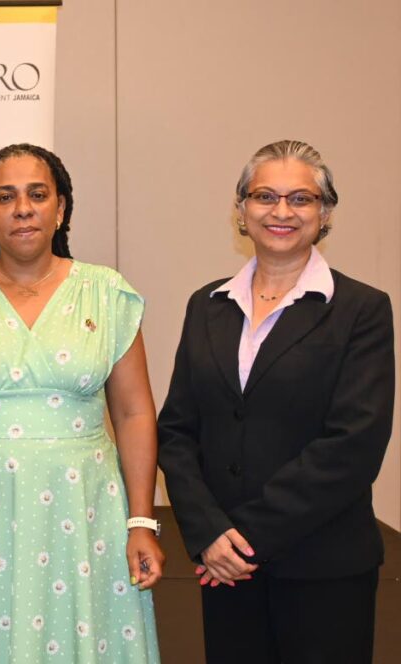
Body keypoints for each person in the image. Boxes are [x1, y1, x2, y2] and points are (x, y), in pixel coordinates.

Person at [0, 144, 163, 662]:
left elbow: (134, 414)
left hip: (84, 514)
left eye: (38, 195)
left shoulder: (107, 294)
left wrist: (141, 521)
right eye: (6, 197)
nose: (23, 208)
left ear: (60, 209)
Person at [157, 140, 394, 663]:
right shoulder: (207, 305)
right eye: (265, 196)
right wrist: (207, 532)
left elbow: (354, 443)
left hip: (324, 568)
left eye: (301, 199)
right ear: (240, 209)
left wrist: (244, 539)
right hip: (222, 568)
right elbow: (176, 430)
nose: (281, 211)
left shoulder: (361, 310)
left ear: (325, 213)